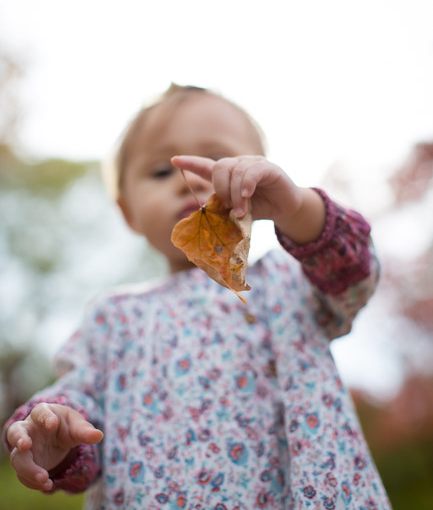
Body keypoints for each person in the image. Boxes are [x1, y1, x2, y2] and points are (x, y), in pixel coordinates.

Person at [3, 84, 392, 509]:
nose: (189, 182)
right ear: (128, 211)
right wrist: (55, 434)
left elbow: (354, 275)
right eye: (159, 172)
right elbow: (82, 419)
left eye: (220, 166)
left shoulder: (289, 281)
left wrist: (297, 207)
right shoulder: (113, 318)